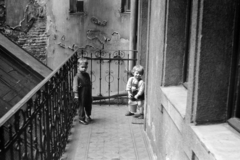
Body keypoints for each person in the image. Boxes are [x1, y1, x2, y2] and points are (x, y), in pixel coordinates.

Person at [73, 57, 92, 125]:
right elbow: (75, 86)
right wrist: (76, 94)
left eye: (85, 67)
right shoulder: (77, 76)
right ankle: (81, 118)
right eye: (82, 67)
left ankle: (88, 115)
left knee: (88, 104)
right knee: (81, 105)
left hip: (87, 91)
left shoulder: (87, 75)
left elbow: (89, 83)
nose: (84, 69)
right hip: (81, 92)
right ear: (78, 67)